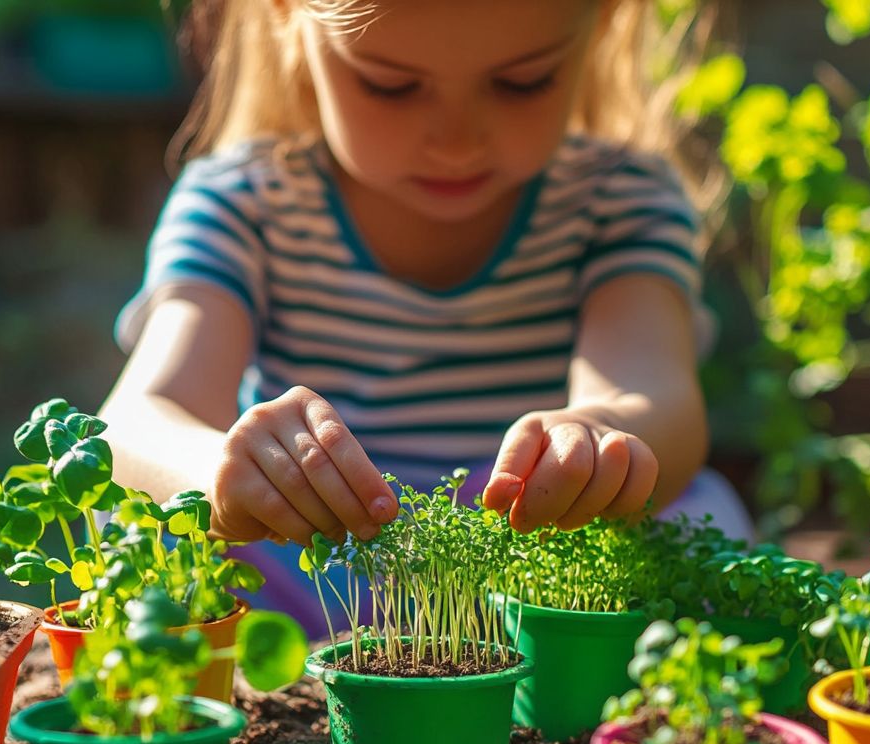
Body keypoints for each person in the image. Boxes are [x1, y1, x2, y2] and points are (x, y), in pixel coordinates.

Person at [99, 0, 752, 635]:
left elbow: (657, 397)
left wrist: (600, 436)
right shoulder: (244, 204)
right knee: (144, 527)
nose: (456, 142)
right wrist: (221, 477)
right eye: (391, 86)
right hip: (310, 573)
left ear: (604, 18)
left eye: (522, 82)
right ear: (285, 14)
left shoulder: (620, 201)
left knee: (702, 522)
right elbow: (136, 422)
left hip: (541, 578)